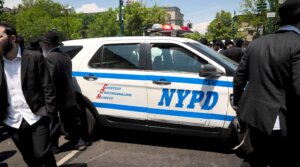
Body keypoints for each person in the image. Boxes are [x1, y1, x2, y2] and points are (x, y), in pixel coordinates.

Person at [233, 0, 300, 166]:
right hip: (283, 121)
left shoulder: (256, 43)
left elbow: (239, 79)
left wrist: (238, 106)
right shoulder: (297, 44)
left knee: (257, 157)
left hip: (254, 116)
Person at [0, 22, 57, 166]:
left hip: (36, 116)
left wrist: (49, 112)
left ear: (12, 38)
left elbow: (48, 86)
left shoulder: (34, 57)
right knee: (30, 158)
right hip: (12, 121)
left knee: (43, 153)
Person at [39, 30, 90, 153]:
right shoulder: (64, 55)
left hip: (57, 95)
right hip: (68, 93)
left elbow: (50, 80)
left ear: (47, 44)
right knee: (71, 120)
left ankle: (53, 146)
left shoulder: (50, 57)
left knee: (53, 122)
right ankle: (78, 142)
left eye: (43, 43)